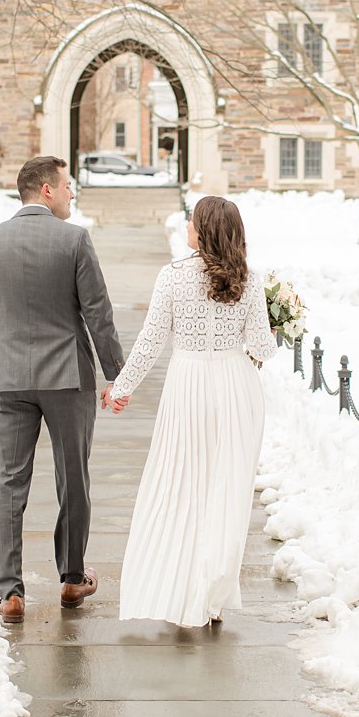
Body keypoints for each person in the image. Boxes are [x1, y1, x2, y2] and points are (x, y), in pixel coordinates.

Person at [0, 155, 126, 624]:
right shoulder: (74, 240)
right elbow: (98, 313)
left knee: (8, 483)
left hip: (9, 380)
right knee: (73, 477)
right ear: (46, 190)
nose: (72, 193)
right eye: (67, 185)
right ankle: (72, 579)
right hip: (67, 379)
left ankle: (10, 592)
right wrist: (117, 373)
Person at [104, 196, 277, 627]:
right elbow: (262, 348)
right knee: (226, 491)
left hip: (189, 386)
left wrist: (120, 388)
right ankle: (211, 596)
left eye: (191, 221)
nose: (186, 226)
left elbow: (150, 342)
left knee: (181, 485)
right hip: (237, 388)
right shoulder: (250, 280)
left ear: (203, 231)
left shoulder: (173, 277)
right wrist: (278, 323)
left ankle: (178, 591)